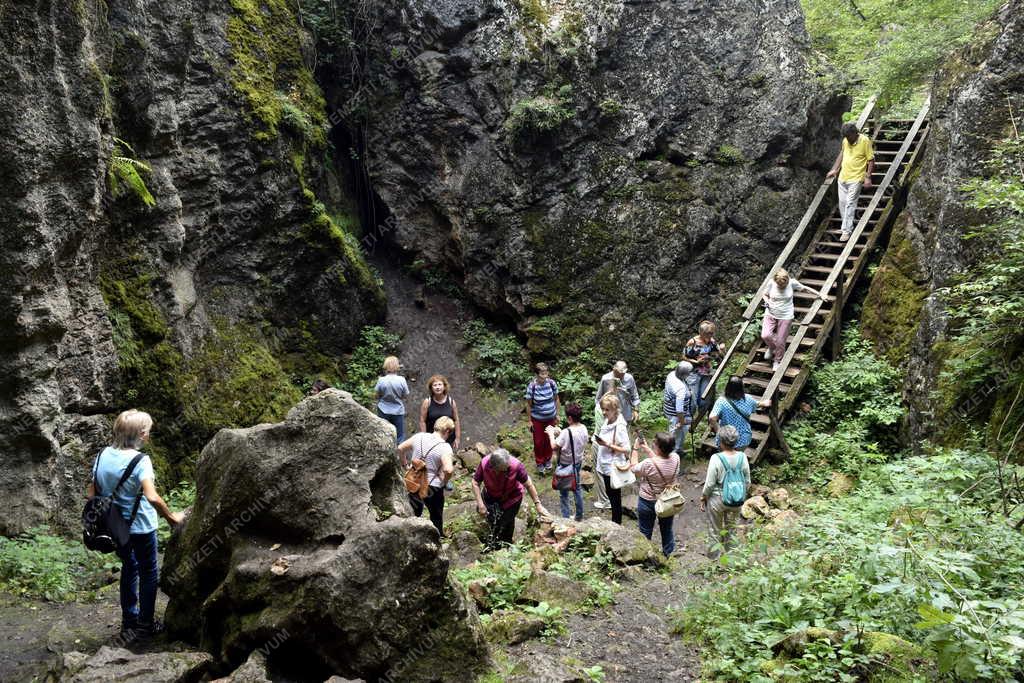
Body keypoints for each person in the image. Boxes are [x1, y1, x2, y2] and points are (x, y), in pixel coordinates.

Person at [86, 410, 183, 639]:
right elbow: (152, 497)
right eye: (148, 431)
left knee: (129, 567)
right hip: (141, 527)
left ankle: (129, 620)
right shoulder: (142, 461)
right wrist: (171, 517)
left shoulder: (102, 455)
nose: (149, 435)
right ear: (141, 434)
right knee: (148, 571)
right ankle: (145, 625)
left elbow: (91, 494)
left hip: (115, 530)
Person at [472, 449, 551, 549]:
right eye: (504, 470)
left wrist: (538, 504)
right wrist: (480, 504)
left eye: (507, 467)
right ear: (494, 468)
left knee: (506, 522)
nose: (507, 470)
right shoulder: (484, 464)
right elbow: (475, 482)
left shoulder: (516, 466)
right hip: (491, 495)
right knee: (491, 519)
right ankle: (493, 544)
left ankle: (506, 545)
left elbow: (529, 484)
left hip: (511, 498)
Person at [397, 416, 455, 535]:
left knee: (413, 514)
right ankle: (437, 541)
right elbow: (448, 470)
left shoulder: (420, 436)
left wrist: (405, 465)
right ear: (448, 431)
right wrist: (443, 482)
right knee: (436, 517)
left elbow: (400, 448)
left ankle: (410, 537)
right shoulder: (445, 447)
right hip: (432, 486)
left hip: (413, 482)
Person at [761, 269, 828, 371]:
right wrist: (767, 302)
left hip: (786, 315)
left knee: (781, 341)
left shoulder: (792, 283)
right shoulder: (771, 283)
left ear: (787, 281)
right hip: (770, 313)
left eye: (783, 285)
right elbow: (764, 294)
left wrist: (820, 294)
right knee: (765, 335)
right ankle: (771, 347)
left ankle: (777, 360)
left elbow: (805, 288)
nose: (781, 287)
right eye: (779, 285)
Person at [700, 425, 750, 559]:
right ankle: (731, 559)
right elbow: (747, 481)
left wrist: (704, 497)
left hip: (717, 499)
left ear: (720, 442)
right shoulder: (742, 457)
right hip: (736, 500)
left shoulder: (716, 458)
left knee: (714, 529)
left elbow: (710, 483)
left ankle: (713, 558)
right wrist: (740, 495)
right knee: (731, 529)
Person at [630, 432, 681, 557]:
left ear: (658, 447)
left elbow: (633, 468)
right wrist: (647, 449)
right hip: (667, 500)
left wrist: (636, 448)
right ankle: (668, 554)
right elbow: (659, 462)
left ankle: (645, 555)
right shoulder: (676, 458)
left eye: (654, 443)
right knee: (667, 529)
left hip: (648, 500)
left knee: (645, 530)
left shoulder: (648, 463)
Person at [826, 121, 875, 242]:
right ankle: (845, 228)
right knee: (842, 203)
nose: (847, 139)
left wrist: (868, 177)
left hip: (856, 178)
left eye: (849, 136)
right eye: (845, 137)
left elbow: (871, 160)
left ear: (855, 133)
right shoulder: (845, 141)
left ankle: (847, 231)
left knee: (850, 203)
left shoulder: (864, 140)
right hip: (843, 177)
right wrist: (835, 169)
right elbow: (842, 154)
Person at [546, 403, 588, 522]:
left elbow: (554, 446)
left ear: (570, 418)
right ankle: (579, 516)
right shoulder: (584, 428)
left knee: (563, 492)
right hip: (577, 462)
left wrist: (550, 434)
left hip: (565, 464)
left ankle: (565, 518)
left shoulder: (566, 432)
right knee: (577, 488)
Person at [593, 394, 631, 524]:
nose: (604, 412)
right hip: (605, 464)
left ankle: (617, 523)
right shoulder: (608, 420)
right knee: (610, 494)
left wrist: (607, 444)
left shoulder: (619, 426)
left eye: (607, 410)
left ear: (615, 409)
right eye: (603, 409)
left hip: (612, 466)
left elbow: (627, 449)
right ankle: (615, 521)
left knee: (614, 497)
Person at [709, 376, 771, 450]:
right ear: (741, 387)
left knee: (725, 459)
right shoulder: (748, 399)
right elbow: (756, 404)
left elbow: (712, 418)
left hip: (726, 440)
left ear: (728, 387)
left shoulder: (721, 401)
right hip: (743, 438)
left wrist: (719, 433)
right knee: (739, 458)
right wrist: (764, 403)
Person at [525, 363, 561, 474]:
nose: (545, 376)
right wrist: (529, 420)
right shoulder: (532, 386)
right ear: (536, 374)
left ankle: (548, 459)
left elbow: (556, 399)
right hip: (538, 419)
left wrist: (557, 414)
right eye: (542, 373)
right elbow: (528, 404)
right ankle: (540, 462)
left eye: (546, 373)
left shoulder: (551, 383)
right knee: (539, 442)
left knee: (549, 439)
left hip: (551, 417)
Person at [683, 322, 724, 409]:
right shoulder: (692, 342)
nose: (711, 335)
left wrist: (722, 349)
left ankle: (702, 417)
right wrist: (696, 361)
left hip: (706, 372)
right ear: (701, 332)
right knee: (692, 400)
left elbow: (720, 354)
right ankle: (689, 420)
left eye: (712, 333)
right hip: (693, 373)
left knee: (703, 400)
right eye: (709, 333)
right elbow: (684, 357)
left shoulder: (711, 341)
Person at [419, 374, 461, 451]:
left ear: (444, 386)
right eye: (435, 385)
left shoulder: (451, 401)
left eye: (440, 384)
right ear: (431, 388)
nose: (437, 387)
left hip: (448, 438)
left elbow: (456, 420)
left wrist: (457, 438)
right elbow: (422, 421)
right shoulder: (427, 402)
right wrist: (424, 438)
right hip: (432, 438)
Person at [375, 356, 410, 444]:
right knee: (399, 435)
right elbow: (406, 395)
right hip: (398, 411)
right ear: (397, 366)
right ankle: (399, 454)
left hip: (383, 410)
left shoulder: (381, 380)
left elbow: (376, 395)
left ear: (385, 366)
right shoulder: (402, 380)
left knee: (383, 433)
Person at [663, 361, 694, 455]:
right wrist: (681, 421)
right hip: (675, 414)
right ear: (684, 375)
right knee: (677, 432)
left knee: (678, 432)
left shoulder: (672, 374)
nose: (690, 374)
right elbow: (679, 409)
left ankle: (678, 449)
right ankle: (672, 454)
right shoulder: (680, 388)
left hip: (669, 409)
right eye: (689, 373)